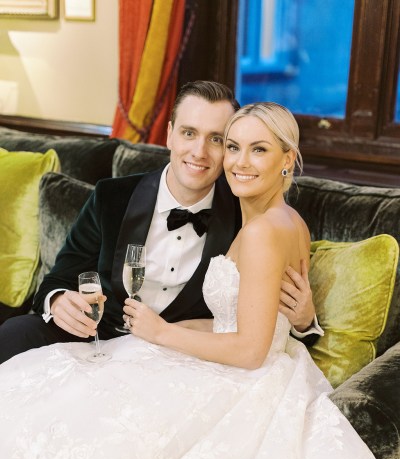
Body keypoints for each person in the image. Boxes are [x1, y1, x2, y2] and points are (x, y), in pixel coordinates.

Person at [0, 102, 399, 459]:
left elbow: (253, 345)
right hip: (206, 351)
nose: (235, 161)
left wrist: (162, 334)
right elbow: (245, 313)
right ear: (169, 134)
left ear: (287, 160)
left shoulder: (252, 221)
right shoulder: (269, 216)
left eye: (255, 149)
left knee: (91, 438)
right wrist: (79, 307)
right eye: (233, 146)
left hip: (236, 369)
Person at [0, 81, 319, 365]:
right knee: (14, 333)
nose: (199, 152)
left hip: (178, 356)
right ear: (169, 135)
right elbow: (58, 278)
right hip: (99, 335)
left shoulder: (247, 213)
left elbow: (258, 327)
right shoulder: (112, 197)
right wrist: (57, 300)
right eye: (189, 133)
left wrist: (304, 322)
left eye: (216, 140)